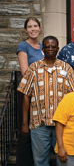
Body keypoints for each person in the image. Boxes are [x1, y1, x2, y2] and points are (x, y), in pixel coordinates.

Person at [17, 36, 74, 166]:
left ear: (57, 49)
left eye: (53, 46)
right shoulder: (33, 68)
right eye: (47, 47)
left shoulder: (66, 68)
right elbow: (26, 95)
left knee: (64, 160)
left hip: (62, 124)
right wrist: (24, 123)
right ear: (43, 49)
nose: (50, 49)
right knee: (40, 162)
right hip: (39, 124)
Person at [16, 16, 44, 166]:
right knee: (25, 130)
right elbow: (25, 72)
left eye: (35, 26)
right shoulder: (23, 46)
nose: (33, 29)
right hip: (29, 93)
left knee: (38, 129)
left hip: (42, 95)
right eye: (30, 26)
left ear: (40, 28)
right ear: (26, 30)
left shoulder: (43, 47)